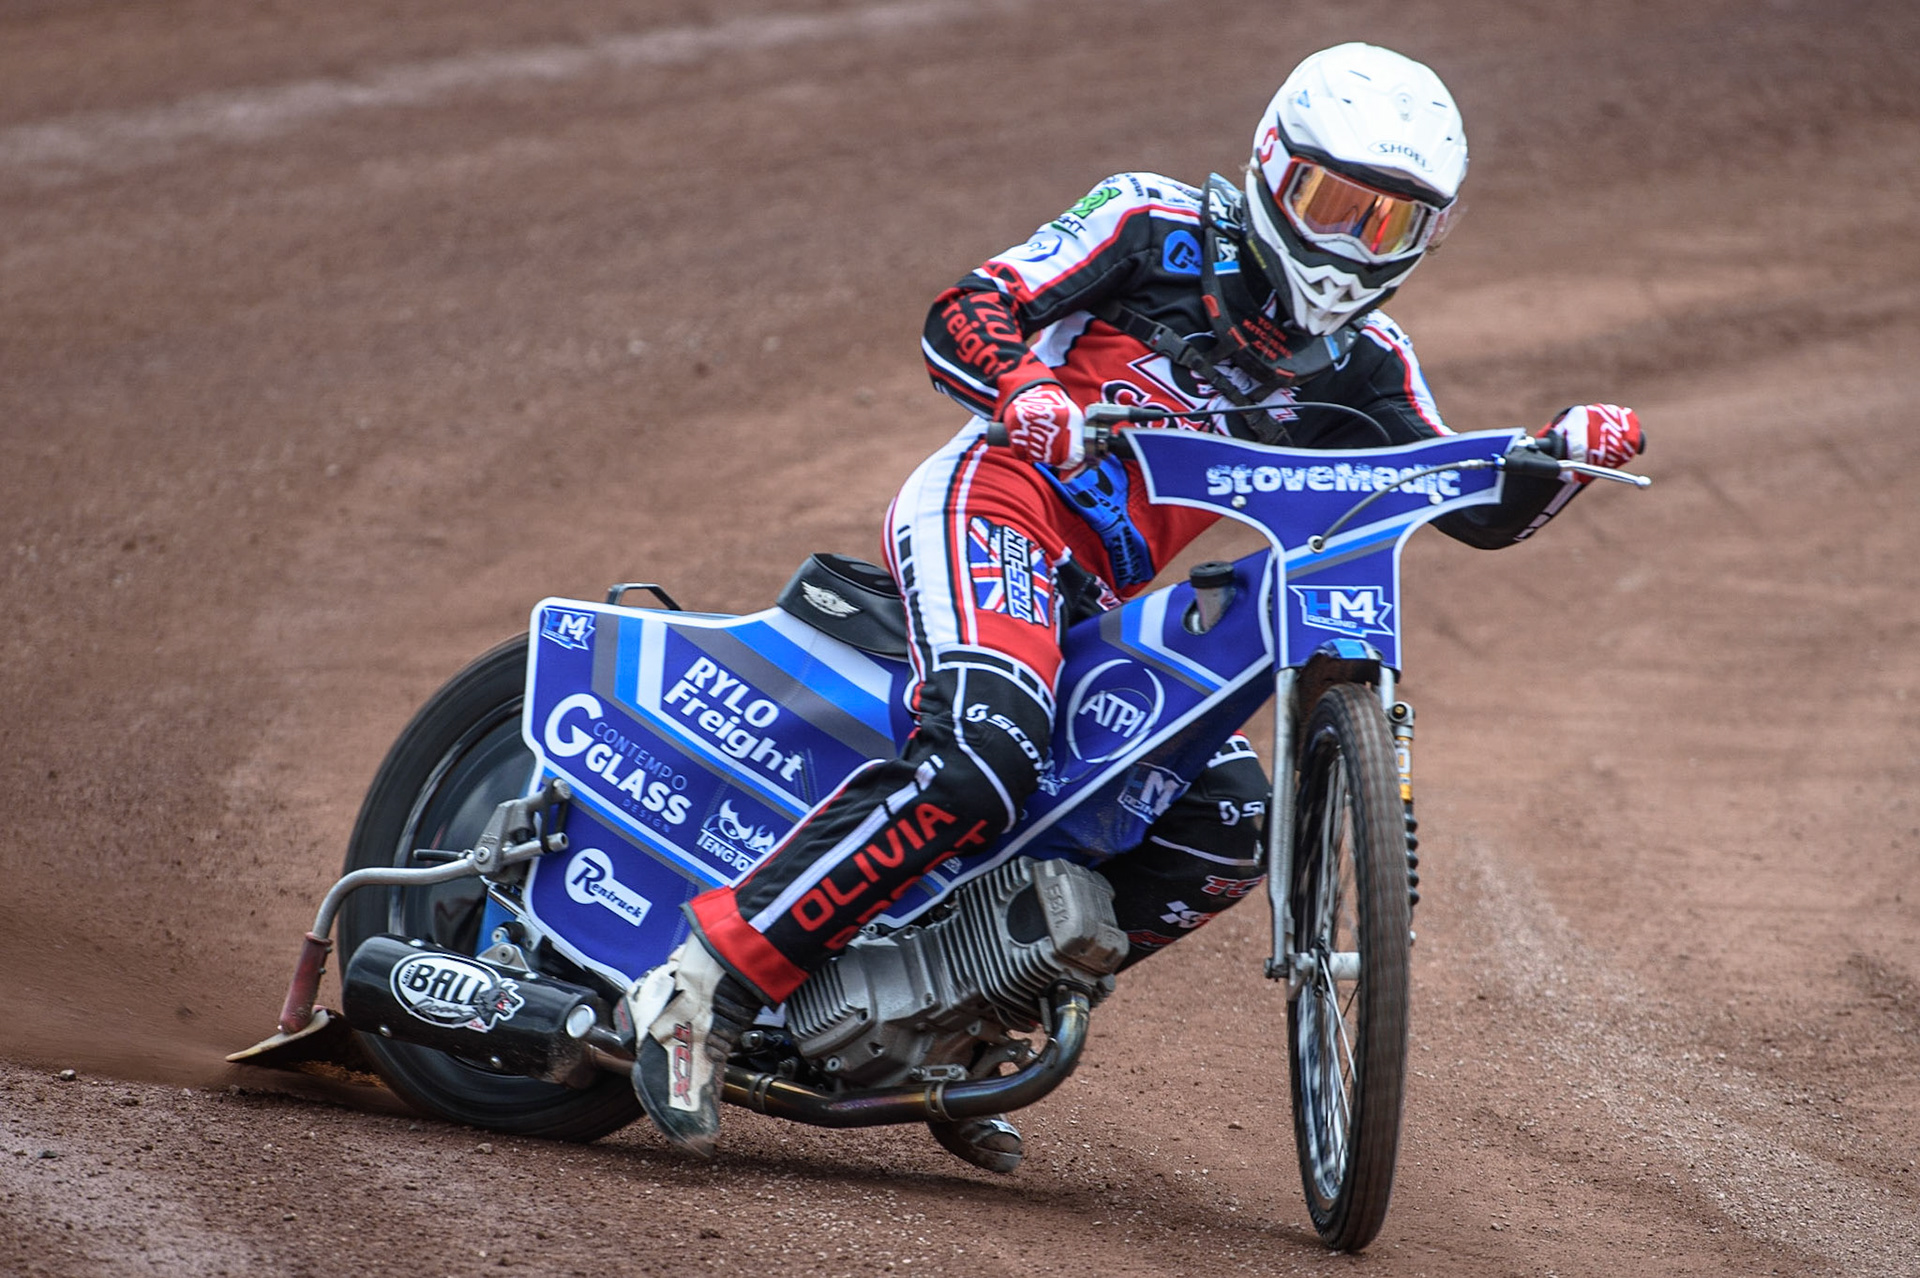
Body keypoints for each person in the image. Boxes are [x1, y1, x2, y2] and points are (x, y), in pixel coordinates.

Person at [623, 41, 1643, 1166]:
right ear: (1270, 166)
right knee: (986, 755)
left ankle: (954, 1025)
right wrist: (1027, 390)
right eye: (1332, 202)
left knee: (1224, 826)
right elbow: (968, 307)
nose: (1352, 246)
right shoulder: (1149, 221)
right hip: (995, 506)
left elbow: (1467, 506)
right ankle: (701, 985)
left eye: (1390, 223)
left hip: (1088, 594)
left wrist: (1560, 463)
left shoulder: (1368, 363)